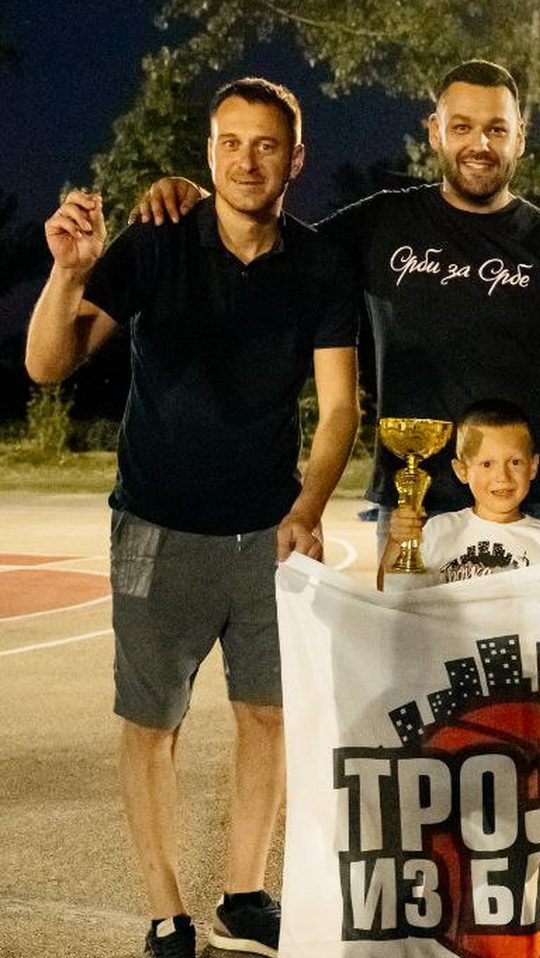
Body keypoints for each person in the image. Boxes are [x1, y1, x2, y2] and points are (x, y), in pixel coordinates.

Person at [25, 78, 361, 958]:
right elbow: (49, 364)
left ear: (296, 158)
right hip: (157, 528)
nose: (247, 160)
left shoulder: (320, 264)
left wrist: (309, 505)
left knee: (268, 717)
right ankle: (165, 910)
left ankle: (244, 896)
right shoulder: (158, 238)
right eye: (230, 142)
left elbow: (339, 409)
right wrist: (68, 274)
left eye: (266, 144)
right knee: (152, 724)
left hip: (267, 535)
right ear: (209, 152)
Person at [135, 59, 540, 562]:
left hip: (527, 507)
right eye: (461, 127)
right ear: (435, 132)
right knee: (410, 662)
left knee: (524, 664)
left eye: (496, 129)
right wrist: (204, 198)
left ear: (520, 137)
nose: (479, 144)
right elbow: (274, 245)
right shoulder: (381, 224)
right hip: (412, 509)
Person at [379, 399, 540, 590]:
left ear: (533, 466)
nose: (502, 476)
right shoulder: (437, 531)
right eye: (487, 464)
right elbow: (391, 592)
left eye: (515, 462)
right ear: (462, 470)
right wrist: (399, 540)